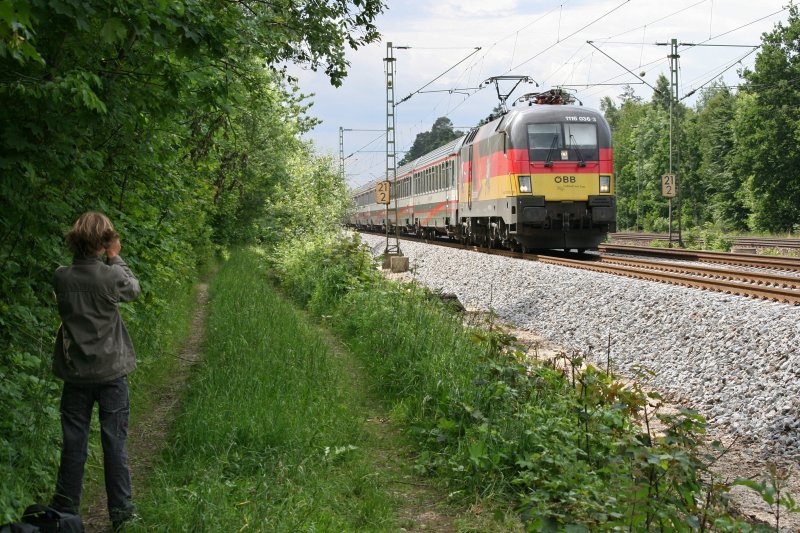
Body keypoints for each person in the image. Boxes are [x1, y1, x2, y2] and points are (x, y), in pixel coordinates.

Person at [50, 212, 140, 530]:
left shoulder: (62, 276)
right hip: (112, 372)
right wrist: (116, 258)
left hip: (76, 374)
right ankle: (122, 515)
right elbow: (132, 290)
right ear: (104, 244)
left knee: (74, 442)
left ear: (74, 241)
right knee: (114, 442)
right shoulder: (110, 276)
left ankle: (64, 512)